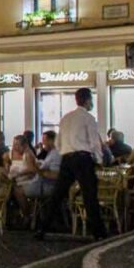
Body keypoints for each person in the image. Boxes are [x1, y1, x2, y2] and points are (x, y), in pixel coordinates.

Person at [36, 88, 106, 240]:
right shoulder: (88, 118)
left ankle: (42, 228)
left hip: (67, 158)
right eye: (91, 100)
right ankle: (98, 232)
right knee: (89, 195)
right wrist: (99, 160)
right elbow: (95, 142)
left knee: (57, 195)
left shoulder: (66, 118)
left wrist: (65, 153)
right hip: (83, 158)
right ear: (87, 100)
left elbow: (58, 142)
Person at [15, 131, 60, 220]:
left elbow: (54, 174)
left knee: (17, 189)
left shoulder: (55, 154)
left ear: (51, 141)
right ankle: (30, 213)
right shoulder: (52, 153)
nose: (42, 143)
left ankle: (27, 216)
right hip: (45, 182)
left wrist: (37, 169)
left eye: (44, 140)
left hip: (47, 185)